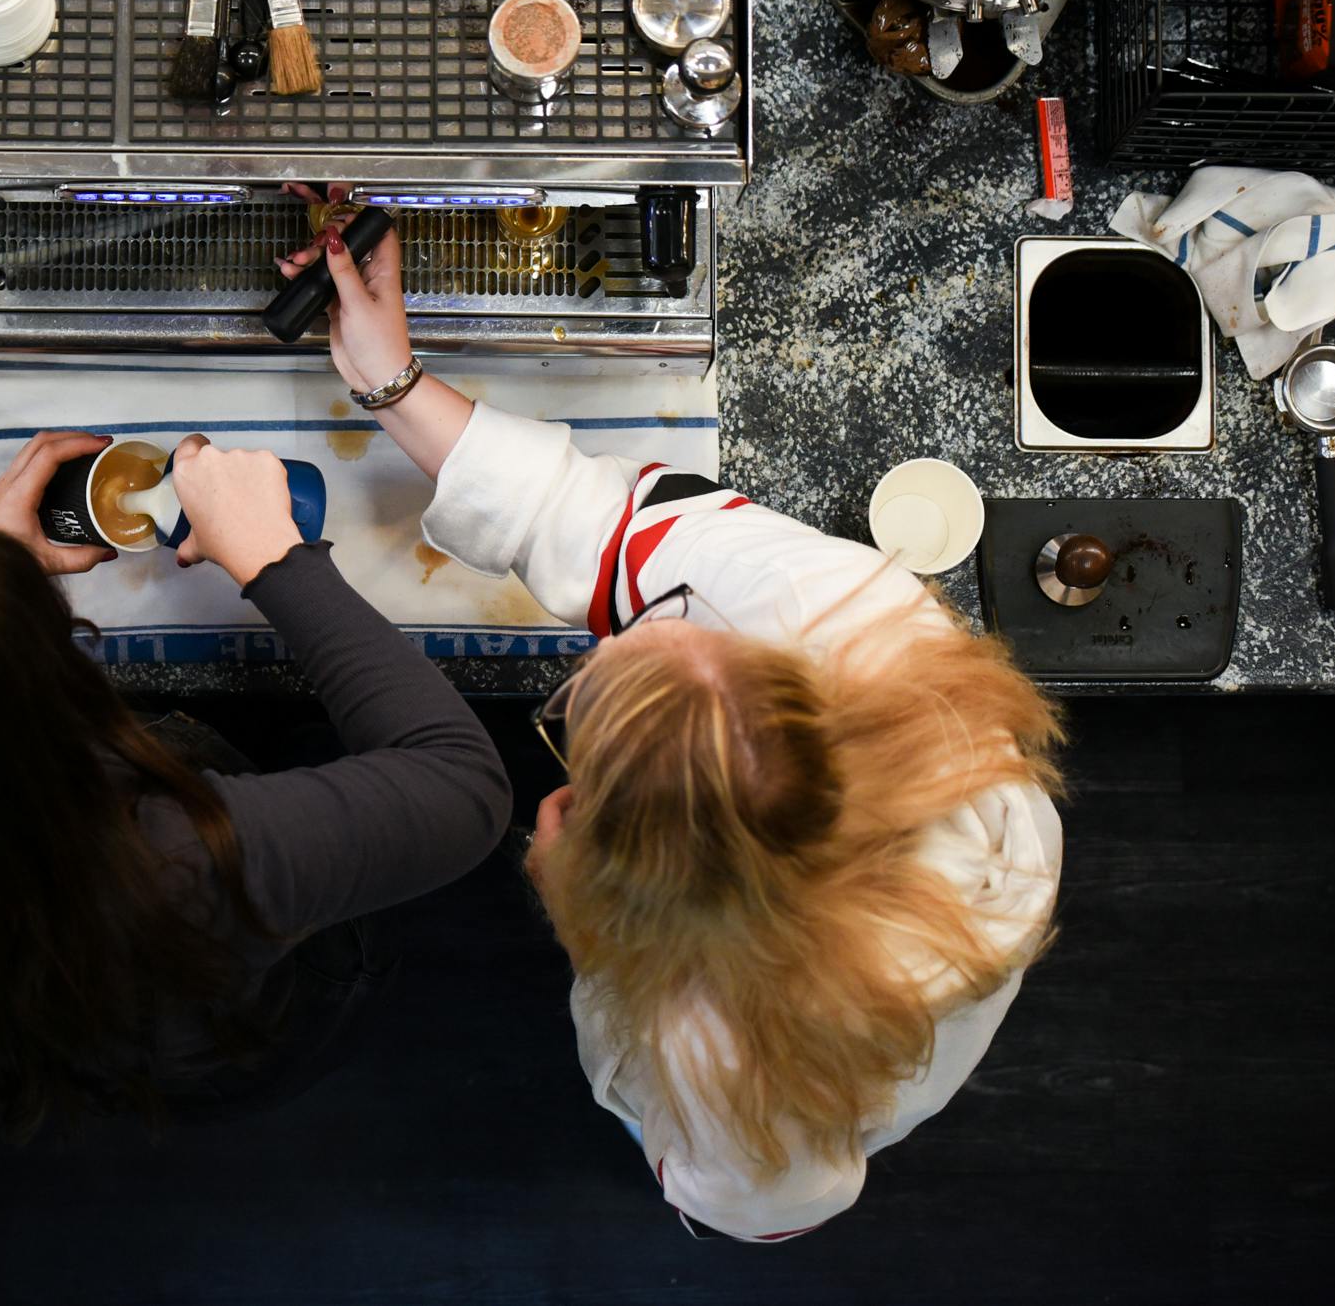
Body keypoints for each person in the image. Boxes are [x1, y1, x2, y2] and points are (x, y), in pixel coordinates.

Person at [278, 207, 1065, 1240]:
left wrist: (585, 928)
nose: (606, 636)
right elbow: (605, 531)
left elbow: (777, 1203)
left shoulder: (730, 1060)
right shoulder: (855, 619)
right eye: (664, 636)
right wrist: (393, 382)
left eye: (597, 688)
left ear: (618, 869)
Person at [0, 430, 508, 1134]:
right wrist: (278, 561)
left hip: (39, 1053)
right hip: (217, 1022)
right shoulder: (179, 865)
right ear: (58, 701)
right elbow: (462, 785)